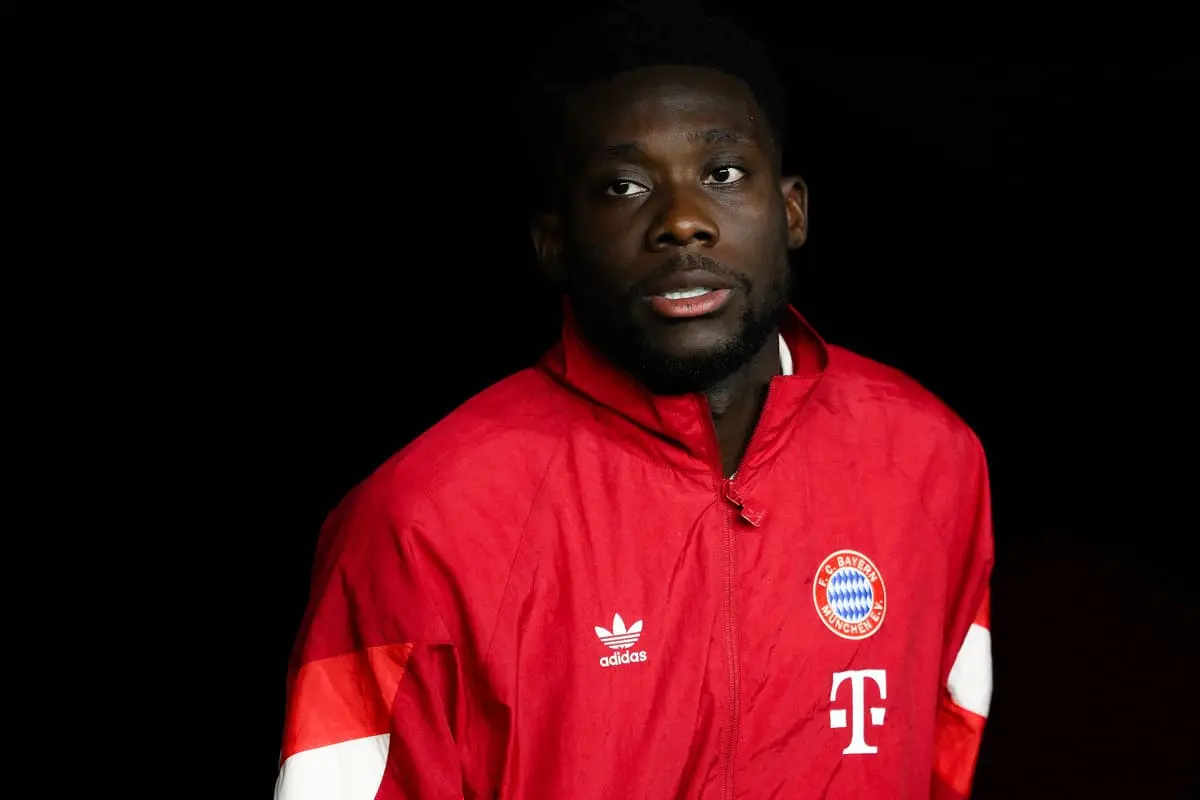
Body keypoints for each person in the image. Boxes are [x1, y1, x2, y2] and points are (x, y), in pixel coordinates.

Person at [274, 5, 994, 798]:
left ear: (791, 210)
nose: (682, 223)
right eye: (624, 186)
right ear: (555, 245)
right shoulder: (424, 523)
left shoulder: (931, 459)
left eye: (722, 174)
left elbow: (943, 760)